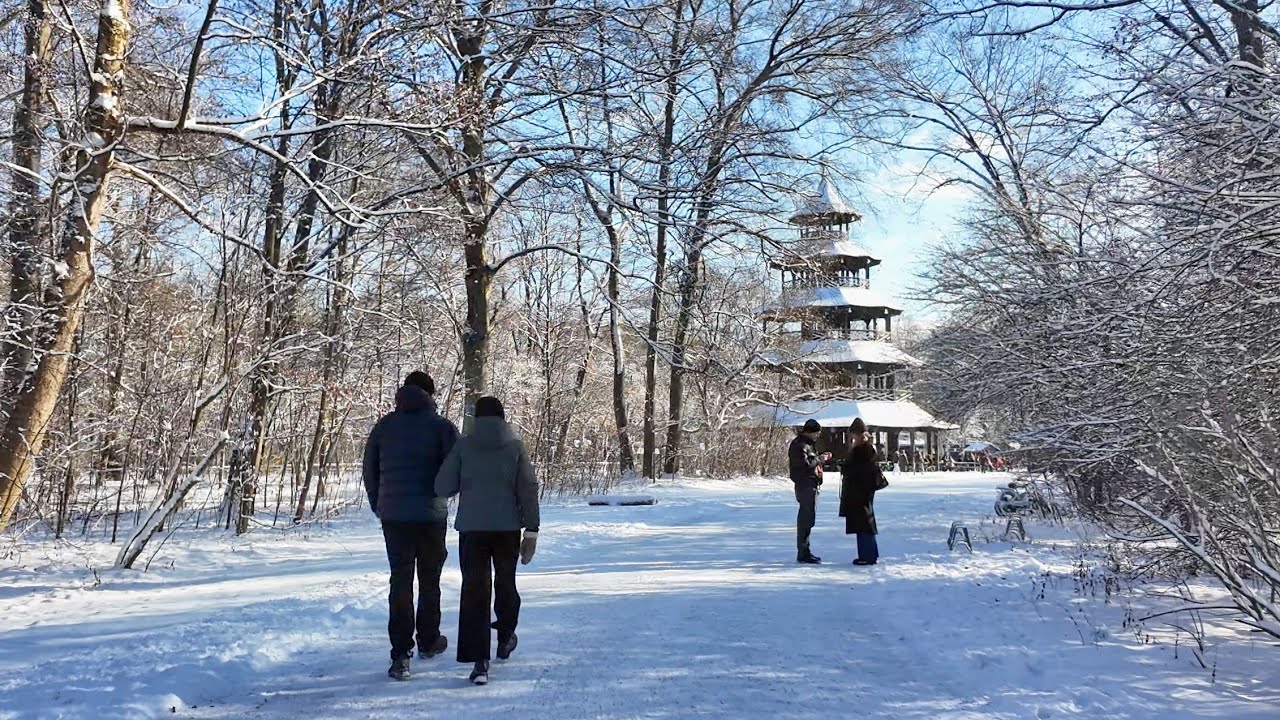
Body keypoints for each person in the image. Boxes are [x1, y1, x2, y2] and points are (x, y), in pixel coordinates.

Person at [436, 396, 540, 686]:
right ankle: (505, 637)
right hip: (507, 530)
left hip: (472, 530)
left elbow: (443, 486)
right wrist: (532, 529)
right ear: (502, 417)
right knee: (505, 583)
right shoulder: (515, 446)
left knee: (475, 590)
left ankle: (479, 662)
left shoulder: (463, 446)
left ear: (476, 419)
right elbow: (528, 487)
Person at [363, 371, 459, 681]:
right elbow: (455, 472)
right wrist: (443, 495)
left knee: (400, 581)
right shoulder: (442, 427)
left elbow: (369, 470)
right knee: (430, 579)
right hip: (431, 516)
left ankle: (400, 654)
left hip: (394, 518)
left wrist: (380, 504)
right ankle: (429, 641)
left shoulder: (384, 427)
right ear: (430, 394)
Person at [840, 418, 882, 566]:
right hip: (859, 491)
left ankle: (868, 555)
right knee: (862, 523)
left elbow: (861, 470)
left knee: (864, 523)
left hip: (860, 492)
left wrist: (847, 469)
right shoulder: (865, 449)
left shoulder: (864, 450)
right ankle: (867, 554)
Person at [788, 419, 830, 564]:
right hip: (805, 484)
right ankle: (803, 552)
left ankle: (805, 550)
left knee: (809, 518)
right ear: (810, 432)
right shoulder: (800, 445)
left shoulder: (808, 444)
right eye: (817, 433)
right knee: (805, 519)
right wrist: (819, 459)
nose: (818, 436)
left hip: (811, 484)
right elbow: (804, 465)